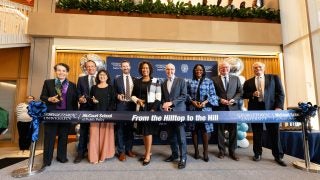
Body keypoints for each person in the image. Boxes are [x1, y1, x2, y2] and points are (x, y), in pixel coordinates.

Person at [243, 61, 286, 166]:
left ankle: (278, 156)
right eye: (255, 67)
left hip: (272, 110)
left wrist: (279, 107)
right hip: (255, 109)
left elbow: (280, 93)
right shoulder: (248, 82)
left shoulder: (274, 78)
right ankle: (257, 153)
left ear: (264, 68)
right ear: (253, 69)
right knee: (257, 132)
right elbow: (244, 94)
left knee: (274, 133)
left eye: (260, 67)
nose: (258, 69)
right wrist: (252, 94)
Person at [40, 63, 78, 167]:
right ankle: (47, 160)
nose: (61, 72)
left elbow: (74, 101)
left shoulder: (72, 85)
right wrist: (49, 99)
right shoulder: (48, 83)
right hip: (52, 114)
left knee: (63, 136)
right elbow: (42, 96)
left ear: (67, 72)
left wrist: (74, 115)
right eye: (59, 70)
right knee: (49, 137)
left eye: (64, 70)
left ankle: (61, 157)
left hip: (66, 115)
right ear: (55, 71)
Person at [131, 61, 161, 166]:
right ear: (141, 70)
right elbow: (132, 95)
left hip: (151, 109)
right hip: (141, 109)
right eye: (143, 68)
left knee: (148, 132)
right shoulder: (137, 81)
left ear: (150, 69)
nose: (145, 70)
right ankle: (147, 152)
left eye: (147, 68)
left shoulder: (155, 81)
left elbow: (158, 98)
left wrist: (153, 109)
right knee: (144, 132)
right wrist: (137, 100)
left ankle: (148, 155)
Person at [187, 64, 218, 162]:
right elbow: (186, 95)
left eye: (200, 70)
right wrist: (193, 102)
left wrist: (204, 103)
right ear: (194, 71)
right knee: (194, 130)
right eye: (196, 70)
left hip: (205, 109)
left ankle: (205, 152)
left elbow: (213, 95)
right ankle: (196, 151)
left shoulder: (209, 82)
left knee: (205, 131)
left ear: (203, 71)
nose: (198, 71)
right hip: (193, 109)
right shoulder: (190, 82)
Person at [212, 61, 242, 161]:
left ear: (229, 69)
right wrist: (220, 100)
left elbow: (240, 92)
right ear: (219, 69)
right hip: (220, 108)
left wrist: (234, 100)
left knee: (233, 130)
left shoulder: (236, 78)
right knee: (220, 131)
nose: (224, 69)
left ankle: (232, 151)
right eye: (222, 68)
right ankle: (222, 151)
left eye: (226, 67)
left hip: (233, 108)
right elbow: (211, 93)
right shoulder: (214, 79)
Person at [162, 63, 188, 169]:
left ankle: (183, 158)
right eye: (167, 69)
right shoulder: (163, 83)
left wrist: (171, 103)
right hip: (168, 113)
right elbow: (164, 98)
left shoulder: (181, 80)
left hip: (179, 112)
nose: (170, 71)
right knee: (171, 137)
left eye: (172, 69)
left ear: (175, 70)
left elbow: (184, 96)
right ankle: (174, 154)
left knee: (181, 137)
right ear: (165, 71)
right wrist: (165, 105)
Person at [88, 69, 116, 164]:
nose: (102, 76)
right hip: (95, 115)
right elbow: (90, 100)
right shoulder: (93, 88)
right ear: (98, 77)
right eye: (100, 75)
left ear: (107, 77)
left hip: (107, 115)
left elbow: (113, 102)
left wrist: (108, 113)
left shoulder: (111, 88)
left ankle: (103, 155)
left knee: (105, 136)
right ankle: (94, 157)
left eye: (104, 75)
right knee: (94, 136)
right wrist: (92, 101)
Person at [74, 60, 97, 163]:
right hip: (85, 108)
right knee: (83, 131)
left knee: (96, 132)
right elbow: (78, 92)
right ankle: (81, 153)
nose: (90, 68)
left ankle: (95, 152)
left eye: (92, 66)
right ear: (85, 68)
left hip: (97, 109)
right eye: (88, 67)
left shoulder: (101, 77)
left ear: (95, 67)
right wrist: (80, 98)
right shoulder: (81, 79)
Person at [114, 60, 136, 161]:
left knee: (130, 130)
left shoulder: (135, 79)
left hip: (131, 107)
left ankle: (129, 150)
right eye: (123, 66)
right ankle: (121, 152)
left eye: (127, 66)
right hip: (120, 107)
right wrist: (117, 95)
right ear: (121, 68)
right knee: (120, 130)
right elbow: (113, 92)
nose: (125, 68)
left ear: (130, 67)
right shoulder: (117, 79)